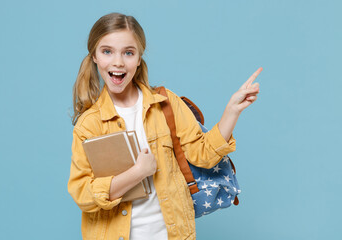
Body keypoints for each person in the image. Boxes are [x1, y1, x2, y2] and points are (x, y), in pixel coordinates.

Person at [68, 12, 262, 240]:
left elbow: (204, 155)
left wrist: (232, 111)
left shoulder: (165, 103)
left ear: (139, 58)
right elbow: (83, 194)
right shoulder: (89, 124)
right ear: (94, 57)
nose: (118, 62)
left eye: (128, 52)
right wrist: (138, 173)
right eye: (107, 51)